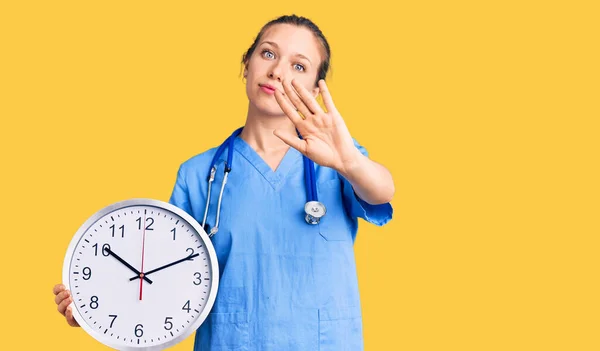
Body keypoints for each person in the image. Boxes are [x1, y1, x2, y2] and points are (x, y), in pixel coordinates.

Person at [53, 14, 395, 350]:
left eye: (299, 66)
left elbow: (382, 192)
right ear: (247, 64)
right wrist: (95, 305)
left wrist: (348, 160)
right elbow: (163, 278)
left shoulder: (338, 161)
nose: (277, 71)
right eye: (268, 54)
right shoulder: (198, 174)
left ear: (315, 90)